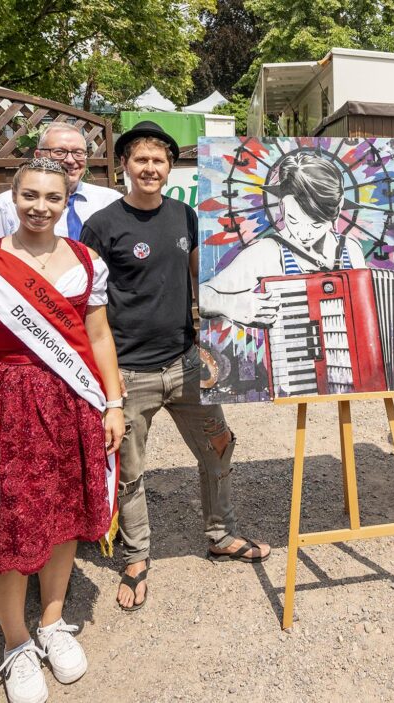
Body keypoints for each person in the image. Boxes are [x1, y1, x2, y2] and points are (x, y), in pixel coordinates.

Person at [0, 158, 124, 703]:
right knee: (10, 524)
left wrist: (113, 403)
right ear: (12, 198)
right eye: (30, 196)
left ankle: (52, 620)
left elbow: (99, 337)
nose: (40, 207)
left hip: (74, 404)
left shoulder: (87, 261)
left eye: (53, 198)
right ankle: (16, 643)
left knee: (65, 515)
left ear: (67, 201)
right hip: (11, 404)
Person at [79, 121, 271, 612]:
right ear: (124, 165)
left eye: (158, 160)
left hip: (187, 365)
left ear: (169, 167)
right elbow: (89, 306)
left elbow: (200, 281)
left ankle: (221, 535)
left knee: (219, 448)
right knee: (129, 470)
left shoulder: (186, 216)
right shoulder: (102, 226)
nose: (150, 168)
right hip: (129, 374)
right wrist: (106, 379)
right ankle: (137, 556)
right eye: (140, 160)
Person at [197, 151, 366, 328]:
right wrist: (233, 305)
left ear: (338, 209)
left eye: (316, 225)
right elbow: (203, 295)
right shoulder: (267, 252)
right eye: (293, 219)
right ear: (281, 205)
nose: (303, 233)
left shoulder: (350, 249)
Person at [0, 122, 121, 243]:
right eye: (59, 152)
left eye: (78, 153)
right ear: (38, 156)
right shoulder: (3, 207)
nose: (71, 160)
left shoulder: (109, 201)